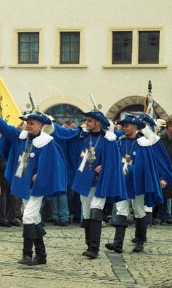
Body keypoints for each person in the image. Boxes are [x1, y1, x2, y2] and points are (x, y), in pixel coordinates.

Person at [0, 102, 67, 266]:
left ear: (41, 125)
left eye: (32, 123)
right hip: (23, 184)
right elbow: (4, 127)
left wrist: (38, 176)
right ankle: (41, 256)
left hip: (37, 187)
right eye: (27, 123)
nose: (28, 126)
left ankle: (27, 255)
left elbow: (50, 165)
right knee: (34, 218)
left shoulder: (47, 142)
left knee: (27, 216)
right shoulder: (21, 137)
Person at [51, 110, 126, 258]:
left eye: (90, 121)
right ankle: (88, 244)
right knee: (86, 213)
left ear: (97, 123)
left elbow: (114, 159)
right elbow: (65, 133)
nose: (86, 123)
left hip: (100, 181)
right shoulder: (83, 137)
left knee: (96, 210)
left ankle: (94, 248)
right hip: (85, 179)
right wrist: (50, 123)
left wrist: (104, 166)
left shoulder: (108, 140)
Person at [106, 115, 172, 254]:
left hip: (138, 182)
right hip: (123, 182)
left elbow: (143, 165)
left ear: (135, 127)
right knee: (121, 210)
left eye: (127, 125)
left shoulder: (143, 142)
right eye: (123, 125)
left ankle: (140, 241)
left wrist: (128, 170)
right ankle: (117, 243)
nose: (124, 128)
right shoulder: (120, 142)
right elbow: (116, 158)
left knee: (139, 210)